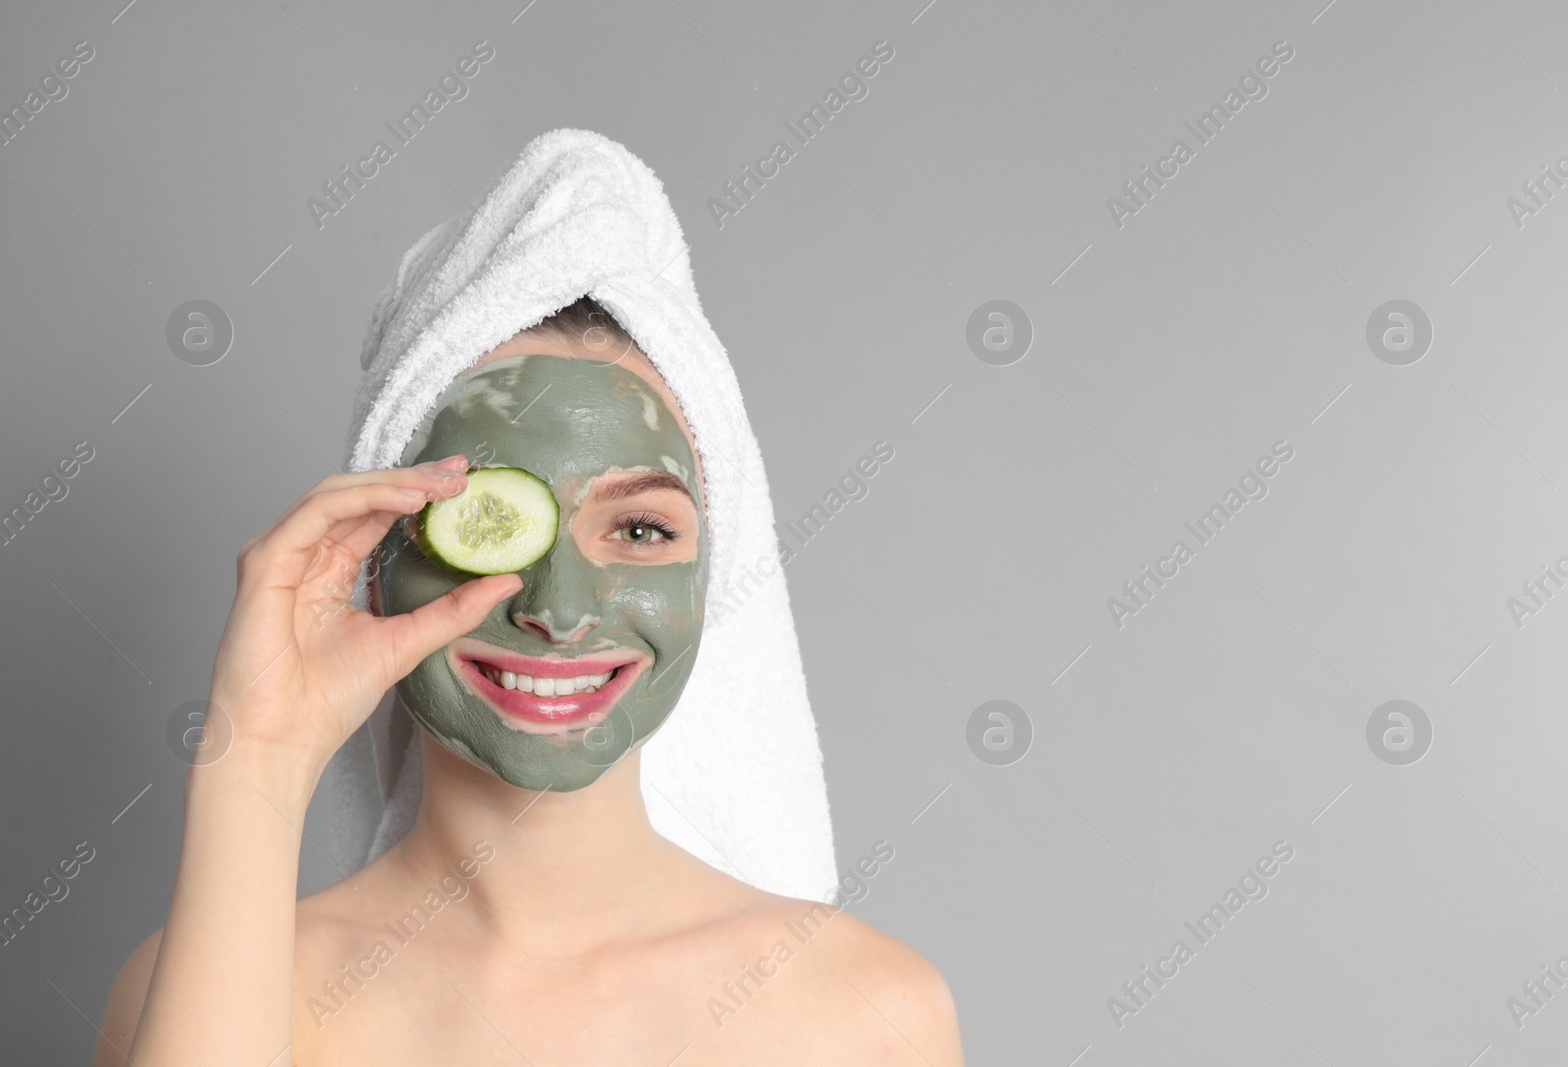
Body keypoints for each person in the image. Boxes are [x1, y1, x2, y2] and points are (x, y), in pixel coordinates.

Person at [94, 297, 965, 1065]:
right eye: (486, 520)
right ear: (371, 566)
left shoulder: (869, 1014)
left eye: (640, 529)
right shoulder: (209, 996)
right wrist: (259, 758)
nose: (559, 609)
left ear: (713, 579)